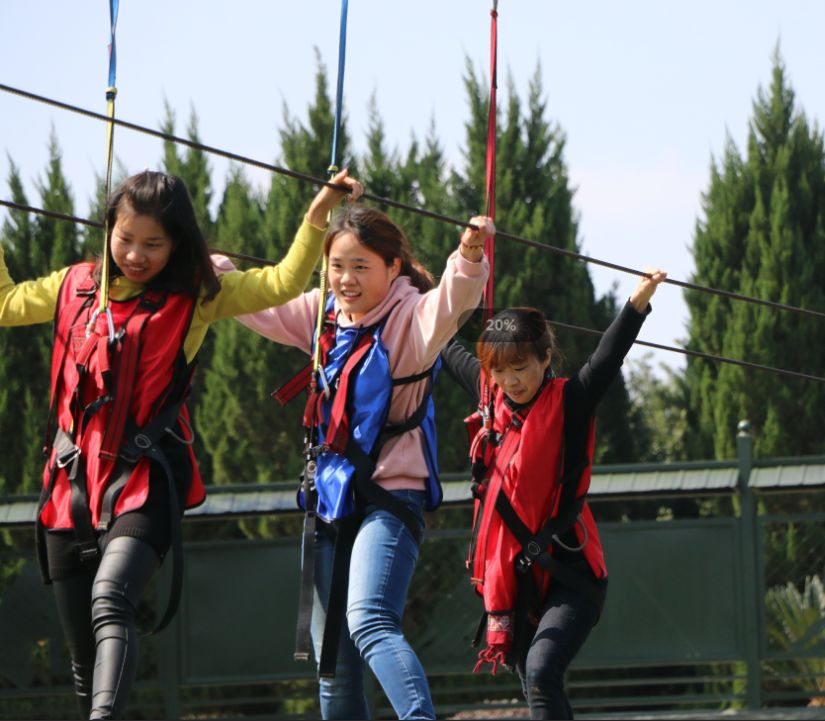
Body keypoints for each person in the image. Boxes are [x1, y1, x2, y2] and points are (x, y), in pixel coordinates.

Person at [0, 167, 361, 719]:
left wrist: (318, 214)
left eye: (154, 244)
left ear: (178, 244)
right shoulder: (73, 285)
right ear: (107, 232)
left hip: (143, 481)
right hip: (69, 489)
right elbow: (4, 304)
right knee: (81, 661)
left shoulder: (198, 296)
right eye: (126, 240)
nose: (137, 255)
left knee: (110, 598)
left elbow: (284, 283)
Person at [216, 207, 494, 720]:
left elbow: (452, 304)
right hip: (329, 502)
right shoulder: (320, 316)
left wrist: (469, 256)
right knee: (333, 667)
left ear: (394, 267)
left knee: (369, 621)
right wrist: (217, 274)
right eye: (337, 266)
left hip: (391, 497)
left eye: (361, 267)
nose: (346, 280)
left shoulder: (412, 320)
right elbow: (261, 307)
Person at [440, 268, 667, 720]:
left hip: (570, 574)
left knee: (542, 672)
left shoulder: (571, 402)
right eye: (499, 370)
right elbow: (445, 346)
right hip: (517, 583)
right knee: (535, 685)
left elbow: (607, 359)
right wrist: (417, 291)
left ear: (546, 359)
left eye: (521, 367)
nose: (511, 381)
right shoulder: (491, 405)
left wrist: (637, 303)